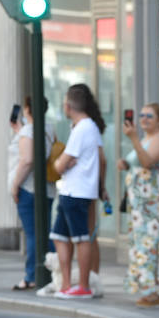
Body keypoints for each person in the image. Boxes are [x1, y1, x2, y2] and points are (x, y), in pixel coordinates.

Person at [50, 83, 105, 299]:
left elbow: (59, 165)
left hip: (77, 191)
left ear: (68, 106)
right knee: (59, 236)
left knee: (81, 238)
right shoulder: (89, 127)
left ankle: (83, 285)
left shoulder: (82, 128)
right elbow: (101, 160)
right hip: (74, 191)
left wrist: (60, 163)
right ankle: (66, 284)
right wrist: (101, 186)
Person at [118, 102, 159, 307]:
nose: (144, 119)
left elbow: (148, 162)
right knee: (143, 243)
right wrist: (126, 163)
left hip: (156, 203)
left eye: (149, 116)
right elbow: (139, 161)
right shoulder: (146, 139)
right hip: (142, 205)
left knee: (155, 243)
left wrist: (133, 138)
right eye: (142, 115)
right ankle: (148, 288)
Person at [7, 97, 56, 290]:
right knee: (44, 232)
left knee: (33, 234)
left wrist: (15, 185)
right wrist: (20, 131)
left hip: (28, 188)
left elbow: (27, 160)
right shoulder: (49, 129)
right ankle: (53, 271)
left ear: (27, 109)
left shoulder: (28, 131)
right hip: (47, 189)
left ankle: (31, 275)